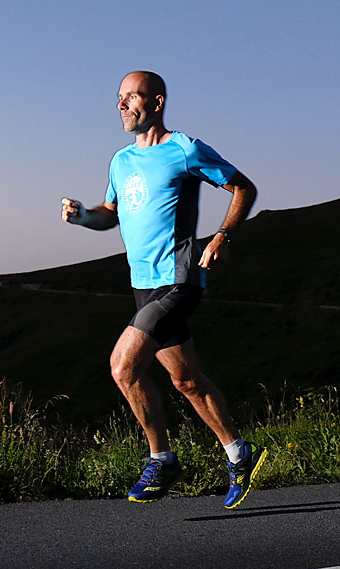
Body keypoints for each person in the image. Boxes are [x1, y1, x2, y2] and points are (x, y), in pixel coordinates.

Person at [61, 71, 264, 509]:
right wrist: (82, 217)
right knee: (186, 379)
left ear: (156, 102)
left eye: (130, 97)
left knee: (122, 367)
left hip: (179, 278)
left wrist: (223, 237)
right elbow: (110, 214)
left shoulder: (185, 149)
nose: (120, 105)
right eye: (117, 98)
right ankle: (238, 452)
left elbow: (243, 187)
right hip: (142, 284)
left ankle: (162, 459)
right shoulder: (120, 161)